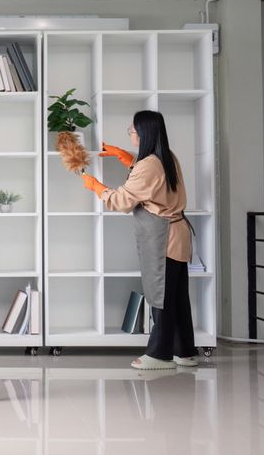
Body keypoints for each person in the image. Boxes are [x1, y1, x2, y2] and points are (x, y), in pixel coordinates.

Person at [81, 110, 198, 370]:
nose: (131, 134)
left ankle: (160, 355)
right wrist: (128, 160)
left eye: (132, 131)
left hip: (162, 239)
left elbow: (123, 201)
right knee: (177, 297)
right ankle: (185, 352)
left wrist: (97, 187)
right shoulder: (167, 157)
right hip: (177, 236)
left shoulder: (148, 165)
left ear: (144, 133)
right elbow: (152, 183)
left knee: (160, 296)